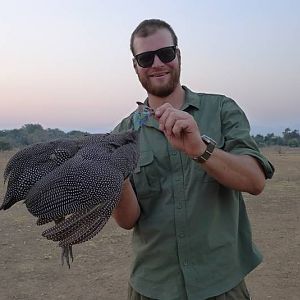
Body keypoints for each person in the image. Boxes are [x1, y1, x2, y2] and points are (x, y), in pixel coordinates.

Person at [112, 19, 274, 300]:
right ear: (135, 66)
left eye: (166, 53)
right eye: (145, 58)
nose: (157, 63)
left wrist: (200, 149)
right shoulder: (121, 135)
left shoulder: (221, 109)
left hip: (220, 283)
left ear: (178, 56)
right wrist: (115, 176)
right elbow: (127, 220)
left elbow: (255, 181)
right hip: (152, 286)